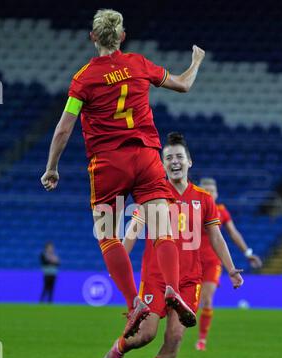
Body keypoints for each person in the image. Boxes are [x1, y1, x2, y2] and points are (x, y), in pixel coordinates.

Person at [40, 8, 206, 338]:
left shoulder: (83, 78)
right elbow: (184, 85)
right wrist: (197, 61)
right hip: (146, 157)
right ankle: (172, 290)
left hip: (107, 166)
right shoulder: (139, 64)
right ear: (122, 37)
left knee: (107, 236)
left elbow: (63, 129)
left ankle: (134, 304)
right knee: (162, 229)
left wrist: (52, 168)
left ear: (93, 37)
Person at [101, 132, 244, 358]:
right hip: (155, 277)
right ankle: (120, 347)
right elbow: (134, 229)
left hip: (189, 279)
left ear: (189, 161)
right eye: (169, 158)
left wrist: (232, 269)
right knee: (146, 335)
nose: (174, 161)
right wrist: (120, 260)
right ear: (162, 164)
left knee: (176, 336)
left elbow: (216, 236)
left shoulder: (204, 199)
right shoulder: (152, 195)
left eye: (179, 156)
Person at [196, 178, 262, 351]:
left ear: (217, 193)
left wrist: (248, 253)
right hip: (191, 260)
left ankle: (202, 339)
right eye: (206, 190)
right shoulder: (192, 209)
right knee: (189, 302)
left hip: (212, 262)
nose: (210, 193)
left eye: (212, 190)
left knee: (207, 299)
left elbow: (233, 233)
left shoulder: (221, 211)